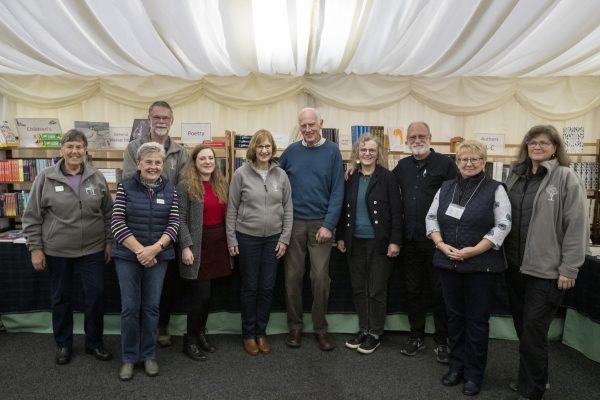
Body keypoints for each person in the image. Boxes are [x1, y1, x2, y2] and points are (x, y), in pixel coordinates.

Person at [503, 125, 588, 400]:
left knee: (532, 331)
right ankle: (537, 377)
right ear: (525, 146)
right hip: (515, 268)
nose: (537, 146)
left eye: (544, 142)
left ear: (554, 148)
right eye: (532, 142)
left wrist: (569, 268)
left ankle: (532, 391)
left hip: (547, 272)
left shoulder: (565, 178)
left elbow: (576, 226)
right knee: (525, 329)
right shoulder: (515, 177)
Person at [426, 140, 511, 396]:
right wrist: (440, 245)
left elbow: (503, 225)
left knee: (476, 322)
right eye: (464, 159)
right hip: (448, 263)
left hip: (482, 267)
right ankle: (456, 367)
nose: (469, 163)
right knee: (454, 318)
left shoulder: (496, 189)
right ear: (457, 162)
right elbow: (431, 218)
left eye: (475, 159)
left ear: (484, 162)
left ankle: (474, 375)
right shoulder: (445, 187)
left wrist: (476, 250)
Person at [22, 129, 113, 365]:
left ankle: (94, 342)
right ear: (61, 150)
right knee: (61, 297)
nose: (74, 151)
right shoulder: (46, 177)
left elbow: (109, 212)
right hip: (57, 250)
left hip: (92, 249)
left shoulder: (97, 177)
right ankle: (63, 344)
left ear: (85, 151)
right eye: (70, 146)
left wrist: (108, 241)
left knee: (96, 295)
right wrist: (35, 248)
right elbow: (32, 216)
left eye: (79, 147)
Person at [111, 142, 179, 381]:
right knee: (130, 309)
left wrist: (155, 249)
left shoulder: (170, 190)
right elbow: (117, 223)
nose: (153, 166)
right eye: (148, 162)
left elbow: (174, 225)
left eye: (157, 162)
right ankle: (129, 358)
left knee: (151, 308)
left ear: (163, 165)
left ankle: (149, 355)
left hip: (158, 257)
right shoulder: (125, 187)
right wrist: (142, 251)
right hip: (128, 257)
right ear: (139, 164)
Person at [278, 107, 344, 351]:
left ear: (321, 124)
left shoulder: (333, 151)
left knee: (319, 278)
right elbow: (275, 176)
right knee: (292, 278)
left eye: (311, 125)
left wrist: (329, 224)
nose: (307, 130)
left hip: (321, 226)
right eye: (303, 125)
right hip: (293, 223)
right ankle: (294, 327)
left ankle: (320, 329)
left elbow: (338, 190)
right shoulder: (292, 151)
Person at [123, 100, 188, 347]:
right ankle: (138, 329)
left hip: (167, 227)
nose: (161, 122)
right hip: (137, 227)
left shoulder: (180, 152)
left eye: (166, 118)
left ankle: (161, 325)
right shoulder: (133, 148)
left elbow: (182, 188)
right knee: (135, 285)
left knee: (166, 284)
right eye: (156, 117)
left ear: (172, 121)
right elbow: (130, 182)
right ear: (148, 119)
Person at [392, 121, 457, 363]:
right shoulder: (401, 167)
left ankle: (442, 339)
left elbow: (455, 198)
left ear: (430, 137)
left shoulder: (446, 165)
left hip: (437, 242)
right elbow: (387, 189)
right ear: (407, 140)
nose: (417, 140)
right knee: (412, 290)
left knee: (439, 292)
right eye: (412, 137)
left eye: (421, 136)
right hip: (409, 241)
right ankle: (416, 335)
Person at [226, 129, 293, 355]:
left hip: (273, 239)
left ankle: (261, 332)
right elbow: (232, 208)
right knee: (250, 287)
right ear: (253, 149)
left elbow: (288, 209)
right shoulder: (240, 174)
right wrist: (231, 238)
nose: (264, 150)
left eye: (267, 146)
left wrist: (284, 238)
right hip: (247, 239)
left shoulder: (281, 175)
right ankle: (248, 334)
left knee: (266, 288)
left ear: (272, 149)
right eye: (260, 146)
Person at [336, 135, 402, 354]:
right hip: (355, 241)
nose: (367, 153)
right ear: (357, 152)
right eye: (363, 150)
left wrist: (394, 241)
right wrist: (342, 237)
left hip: (380, 243)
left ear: (378, 153)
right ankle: (363, 329)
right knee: (358, 288)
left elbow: (396, 212)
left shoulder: (387, 178)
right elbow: (344, 209)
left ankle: (375, 333)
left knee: (376, 289)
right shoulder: (350, 177)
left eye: (371, 150)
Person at [177, 144, 231, 361]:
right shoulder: (185, 186)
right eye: (203, 159)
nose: (208, 162)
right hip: (197, 248)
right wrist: (186, 246)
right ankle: (189, 340)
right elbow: (179, 220)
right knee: (200, 296)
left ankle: (200, 334)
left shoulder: (221, 184)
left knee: (209, 298)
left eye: (211, 158)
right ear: (194, 162)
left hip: (218, 246)